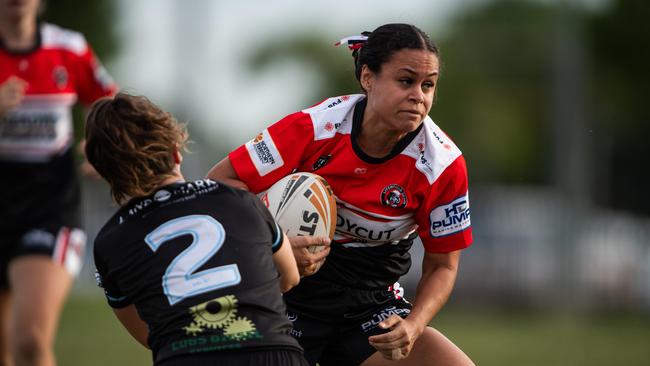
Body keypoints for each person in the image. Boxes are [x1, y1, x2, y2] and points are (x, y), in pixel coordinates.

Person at [207, 23, 475, 365]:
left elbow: (443, 266)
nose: (418, 96)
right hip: (289, 297)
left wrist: (413, 324)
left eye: (428, 85)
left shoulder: (442, 164)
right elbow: (220, 185)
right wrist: (275, 243)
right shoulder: (314, 128)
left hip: (372, 308)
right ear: (368, 77)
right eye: (406, 81)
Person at [85, 92, 309, 366]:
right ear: (175, 150)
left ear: (106, 173)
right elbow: (289, 278)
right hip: (274, 355)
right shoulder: (239, 200)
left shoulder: (111, 240)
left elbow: (148, 335)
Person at [0, 0, 117, 364]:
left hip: (48, 208)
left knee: (30, 341)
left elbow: (109, 103)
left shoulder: (68, 48)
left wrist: (102, 144)